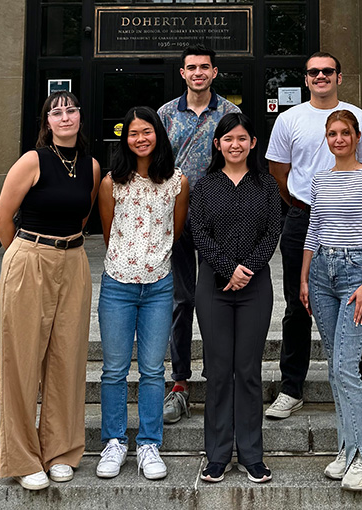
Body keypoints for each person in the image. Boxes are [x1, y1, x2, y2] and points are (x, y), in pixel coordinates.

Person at [266, 52, 362, 423]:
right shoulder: (290, 119)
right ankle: (291, 388)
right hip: (302, 218)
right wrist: (305, 203)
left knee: (356, 306)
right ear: (306, 79)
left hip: (351, 226)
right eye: (313, 72)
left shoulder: (359, 117)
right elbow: (278, 171)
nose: (320, 76)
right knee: (296, 305)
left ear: (339, 76)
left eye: (327, 71)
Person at [0, 91, 100, 490]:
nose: (65, 116)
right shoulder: (31, 161)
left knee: (67, 357)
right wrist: (25, 259)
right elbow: (3, 217)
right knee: (22, 358)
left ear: (80, 118)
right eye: (56, 111)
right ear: (47, 122)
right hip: (30, 257)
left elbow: (84, 213)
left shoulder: (90, 165)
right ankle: (22, 457)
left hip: (73, 261)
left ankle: (61, 450)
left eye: (71, 109)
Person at [95, 106, 189, 480]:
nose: (141, 139)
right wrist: (130, 259)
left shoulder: (177, 182)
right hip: (118, 284)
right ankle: (114, 442)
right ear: (125, 139)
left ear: (158, 135)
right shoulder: (110, 183)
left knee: (153, 369)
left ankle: (149, 443)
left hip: (159, 287)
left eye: (147, 131)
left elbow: (176, 231)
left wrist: (150, 259)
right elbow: (107, 231)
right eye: (134, 133)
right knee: (114, 370)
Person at [300, 110, 362, 491]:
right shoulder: (319, 180)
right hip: (321, 273)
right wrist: (304, 277)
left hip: (357, 274)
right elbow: (313, 230)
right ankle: (346, 448)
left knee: (346, 368)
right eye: (333, 133)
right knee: (334, 368)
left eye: (345, 133)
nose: (339, 139)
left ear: (357, 137)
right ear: (327, 138)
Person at [191, 113, 281, 484]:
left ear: (253, 143)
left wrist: (247, 270)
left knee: (247, 372)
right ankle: (217, 455)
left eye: (242, 138)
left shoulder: (266, 185)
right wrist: (229, 268)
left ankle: (251, 454)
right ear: (217, 145)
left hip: (255, 290)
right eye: (228, 139)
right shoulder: (205, 186)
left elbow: (273, 231)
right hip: (213, 288)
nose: (235, 145)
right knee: (218, 373)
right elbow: (198, 232)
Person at [158, 45, 241, 424]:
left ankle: (219, 377)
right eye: (191, 67)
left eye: (204, 67)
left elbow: (237, 161)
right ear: (182, 73)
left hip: (217, 219)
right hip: (173, 219)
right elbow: (154, 163)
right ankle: (179, 383)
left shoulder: (230, 113)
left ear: (214, 71)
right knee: (181, 300)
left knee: (214, 299)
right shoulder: (165, 115)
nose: (198, 73)